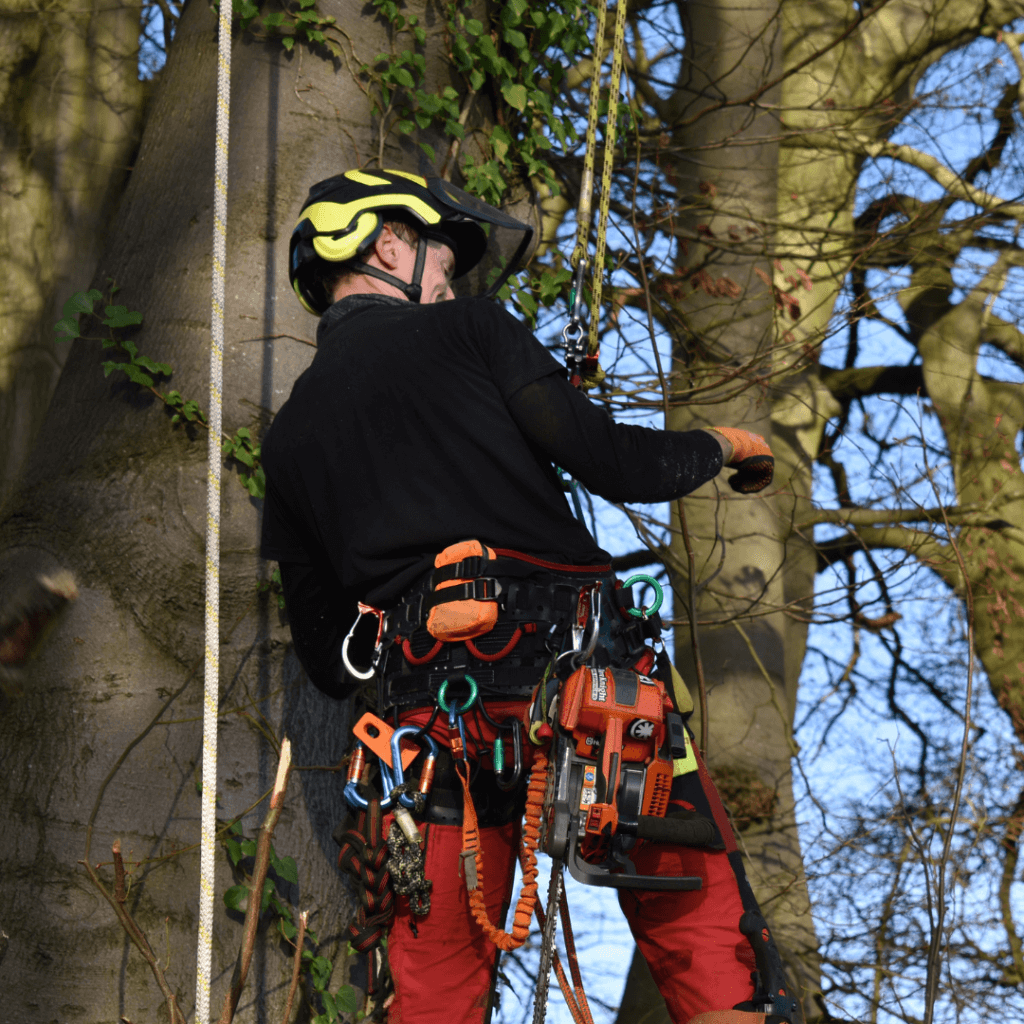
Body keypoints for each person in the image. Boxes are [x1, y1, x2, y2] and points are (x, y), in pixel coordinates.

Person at [260, 169, 791, 1024]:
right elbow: (615, 463)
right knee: (700, 923)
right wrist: (722, 443)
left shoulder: (289, 436)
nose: (449, 280)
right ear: (387, 243)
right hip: (584, 685)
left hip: (429, 726)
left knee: (433, 982)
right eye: (441, 257)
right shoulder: (471, 332)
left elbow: (328, 656)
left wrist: (408, 610)